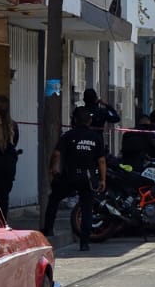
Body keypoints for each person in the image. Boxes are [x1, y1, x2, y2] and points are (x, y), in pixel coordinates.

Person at [41, 106, 109, 252]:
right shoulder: (95, 138)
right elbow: (101, 160)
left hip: (70, 176)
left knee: (54, 199)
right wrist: (103, 179)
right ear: (89, 121)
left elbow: (56, 154)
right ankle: (84, 242)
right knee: (87, 208)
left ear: (75, 120)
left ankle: (48, 229)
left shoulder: (68, 136)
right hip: (88, 178)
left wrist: (52, 169)